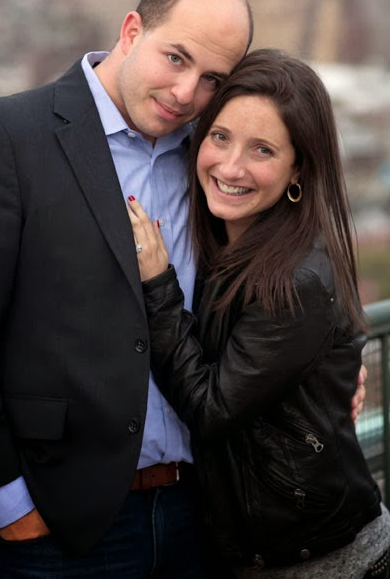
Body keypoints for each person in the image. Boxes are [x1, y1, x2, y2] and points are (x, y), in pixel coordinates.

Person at [0, 0, 364, 577]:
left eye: (212, 78)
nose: (186, 92)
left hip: (205, 517)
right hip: (60, 529)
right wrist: (8, 504)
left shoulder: (213, 159)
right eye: (175, 58)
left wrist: (327, 377)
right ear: (132, 30)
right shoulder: (8, 137)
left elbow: (278, 286)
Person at [127, 48, 390, 579]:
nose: (230, 166)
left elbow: (209, 409)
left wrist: (158, 286)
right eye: (220, 137)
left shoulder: (297, 279)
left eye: (263, 150)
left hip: (328, 562)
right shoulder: (227, 244)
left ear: (299, 168)